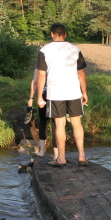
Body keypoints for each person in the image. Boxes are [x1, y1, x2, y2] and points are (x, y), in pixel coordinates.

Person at [35, 23, 88, 167]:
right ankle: (82, 156)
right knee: (77, 123)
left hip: (55, 93)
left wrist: (39, 96)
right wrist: (84, 92)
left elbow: (41, 75)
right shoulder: (75, 49)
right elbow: (81, 74)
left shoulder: (44, 50)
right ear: (65, 34)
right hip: (74, 92)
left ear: (52, 34)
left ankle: (61, 158)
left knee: (60, 124)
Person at [27, 68, 58, 159]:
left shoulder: (41, 59)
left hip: (44, 95)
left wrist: (31, 98)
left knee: (43, 122)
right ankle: (56, 154)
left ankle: (41, 151)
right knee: (56, 124)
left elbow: (35, 80)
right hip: (57, 95)